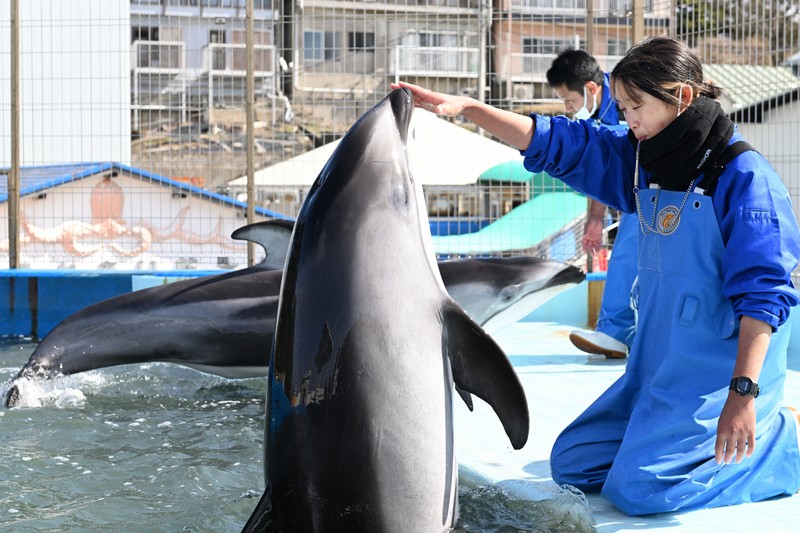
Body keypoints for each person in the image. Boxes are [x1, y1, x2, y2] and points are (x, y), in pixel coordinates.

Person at [392, 35, 800, 516]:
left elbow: (764, 297)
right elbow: (563, 142)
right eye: (622, 107)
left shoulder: (742, 176)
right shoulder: (644, 158)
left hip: (716, 376)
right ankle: (667, 443)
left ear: (682, 98)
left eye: (635, 107)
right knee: (574, 464)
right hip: (657, 367)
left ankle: (780, 446)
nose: (627, 120)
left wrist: (743, 395)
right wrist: (471, 109)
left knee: (641, 492)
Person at [546, 49, 636, 359]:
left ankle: (615, 332)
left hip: (669, 187)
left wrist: (597, 219)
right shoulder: (601, 110)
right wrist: (594, 218)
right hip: (641, 188)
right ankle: (624, 332)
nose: (568, 109)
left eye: (569, 100)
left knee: (628, 249)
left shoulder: (626, 103)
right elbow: (604, 169)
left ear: (591, 88)